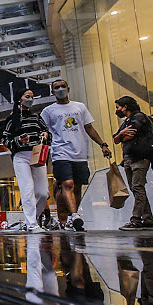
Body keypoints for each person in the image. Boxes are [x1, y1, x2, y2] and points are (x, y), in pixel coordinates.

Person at [40, 78, 111, 231]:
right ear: (53, 92)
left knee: (77, 188)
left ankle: (72, 217)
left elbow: (89, 127)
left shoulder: (80, 107)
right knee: (67, 184)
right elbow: (42, 129)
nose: (60, 89)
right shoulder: (48, 111)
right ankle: (73, 216)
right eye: (56, 87)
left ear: (68, 88)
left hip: (80, 153)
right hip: (60, 153)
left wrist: (102, 144)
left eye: (62, 86)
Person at [2, 89, 52, 232]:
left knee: (43, 192)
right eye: (27, 96)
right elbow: (5, 139)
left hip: (37, 154)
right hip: (21, 156)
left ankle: (31, 219)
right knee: (27, 190)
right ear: (19, 99)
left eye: (32, 96)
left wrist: (45, 134)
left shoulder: (37, 117)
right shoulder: (12, 119)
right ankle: (31, 224)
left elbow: (47, 132)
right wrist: (19, 140)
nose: (30, 99)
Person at [113, 96, 153, 231]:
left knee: (138, 188)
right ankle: (148, 220)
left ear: (125, 106)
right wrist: (121, 134)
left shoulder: (138, 117)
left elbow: (129, 136)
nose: (117, 110)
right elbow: (116, 139)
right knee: (136, 189)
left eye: (118, 107)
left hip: (140, 158)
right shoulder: (126, 122)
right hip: (128, 159)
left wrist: (122, 136)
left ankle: (136, 220)